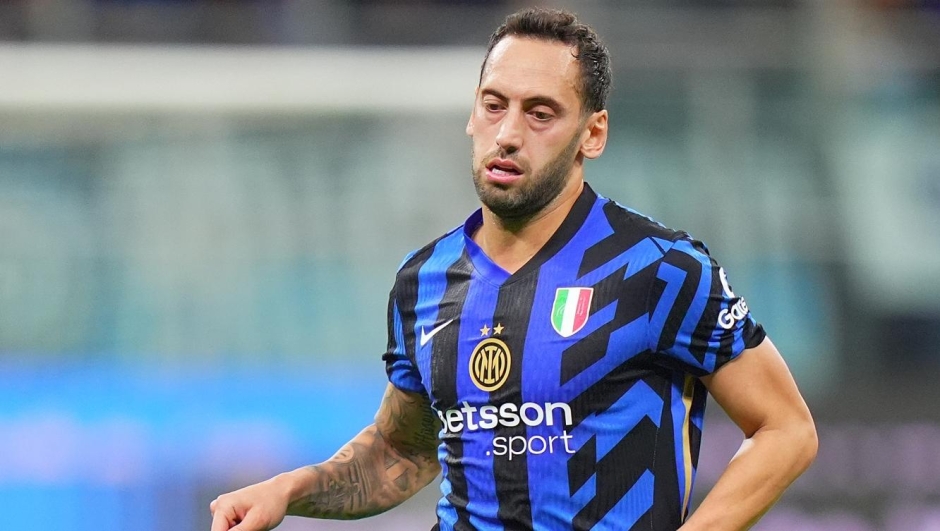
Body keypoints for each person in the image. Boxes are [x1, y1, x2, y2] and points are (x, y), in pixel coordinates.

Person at [210, 7, 817, 531]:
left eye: (540, 113)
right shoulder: (422, 280)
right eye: (493, 105)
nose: (507, 134)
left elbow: (786, 430)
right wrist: (285, 492)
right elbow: (403, 451)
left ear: (592, 133)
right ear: (472, 114)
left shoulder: (660, 270)